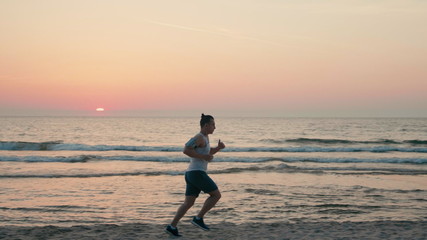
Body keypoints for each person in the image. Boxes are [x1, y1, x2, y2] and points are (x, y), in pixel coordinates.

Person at [165, 114, 225, 237]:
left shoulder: (205, 138)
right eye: (213, 124)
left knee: (188, 203)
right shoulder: (199, 137)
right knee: (216, 195)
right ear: (206, 125)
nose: (215, 127)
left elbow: (207, 153)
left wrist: (218, 148)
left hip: (192, 174)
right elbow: (186, 149)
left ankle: (172, 226)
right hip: (197, 173)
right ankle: (198, 218)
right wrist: (203, 157)